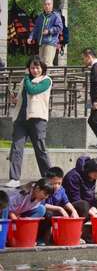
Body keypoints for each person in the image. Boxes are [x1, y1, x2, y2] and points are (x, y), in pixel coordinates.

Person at [5, 56, 52, 188]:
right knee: (16, 147)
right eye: (32, 67)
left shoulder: (46, 80)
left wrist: (26, 77)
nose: (35, 70)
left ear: (42, 68)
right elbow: (22, 98)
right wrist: (15, 99)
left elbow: (33, 90)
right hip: (21, 118)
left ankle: (48, 177)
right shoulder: (24, 81)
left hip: (37, 119)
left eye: (37, 67)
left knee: (40, 148)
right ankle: (14, 178)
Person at [38, 167, 81, 245]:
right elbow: (41, 204)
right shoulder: (44, 188)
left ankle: (75, 234)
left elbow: (66, 202)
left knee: (83, 206)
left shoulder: (61, 190)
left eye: (59, 183)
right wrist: (59, 208)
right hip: (46, 215)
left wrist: (73, 211)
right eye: (54, 183)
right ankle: (42, 237)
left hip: (56, 215)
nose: (57, 186)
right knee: (48, 213)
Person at [27, 0, 63, 67]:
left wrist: (49, 31)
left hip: (50, 43)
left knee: (47, 64)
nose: (47, 6)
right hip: (41, 43)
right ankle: (43, 77)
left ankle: (48, 77)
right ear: (43, 6)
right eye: (45, 4)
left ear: (52, 5)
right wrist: (31, 37)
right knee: (41, 65)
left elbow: (60, 27)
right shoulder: (40, 16)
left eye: (48, 4)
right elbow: (36, 28)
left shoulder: (56, 16)